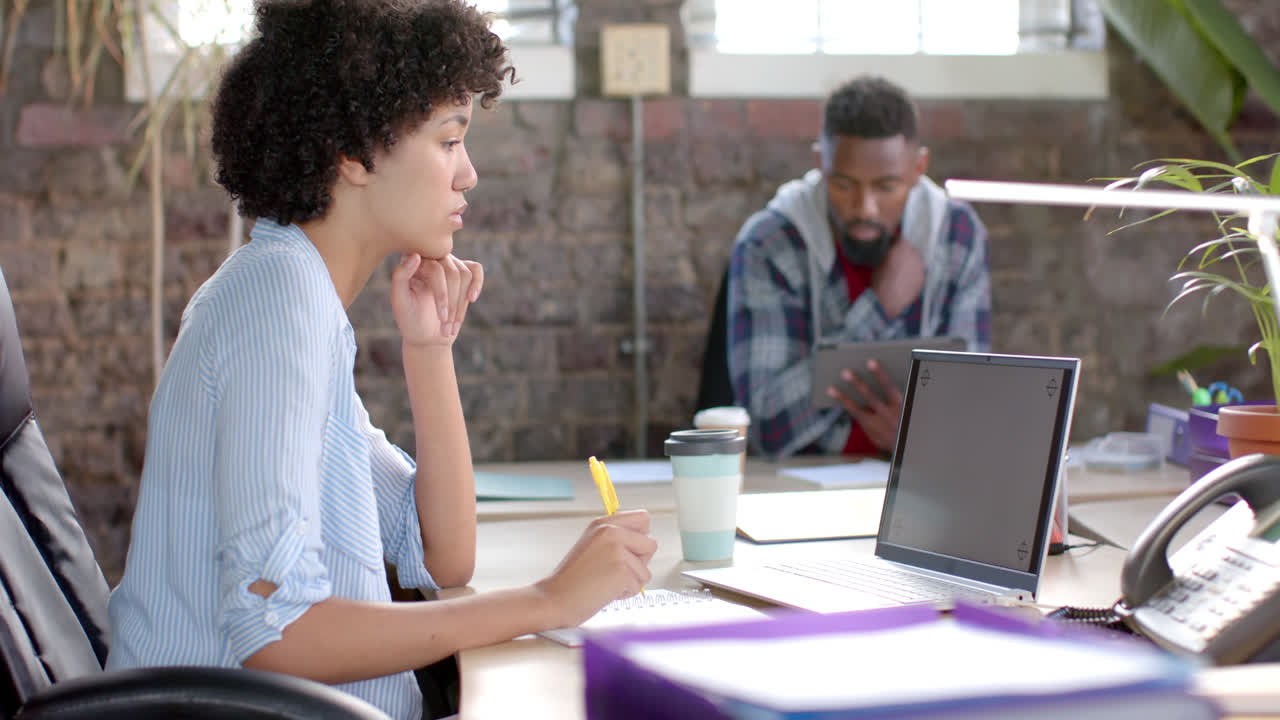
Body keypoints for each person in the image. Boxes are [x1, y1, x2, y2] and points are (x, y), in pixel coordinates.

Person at [105, 1, 656, 718]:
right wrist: (546, 600)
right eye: (448, 140)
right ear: (355, 153)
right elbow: (279, 631)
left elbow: (441, 553)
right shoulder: (277, 306)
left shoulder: (301, 299)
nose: (469, 175)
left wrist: (430, 351)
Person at [726, 75, 991, 459]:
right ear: (820, 164)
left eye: (885, 187)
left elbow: (972, 410)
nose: (864, 208)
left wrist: (916, 433)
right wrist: (879, 308)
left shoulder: (957, 236)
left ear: (919, 168)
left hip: (922, 474)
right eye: (844, 185)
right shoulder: (770, 243)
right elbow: (767, 426)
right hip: (799, 486)